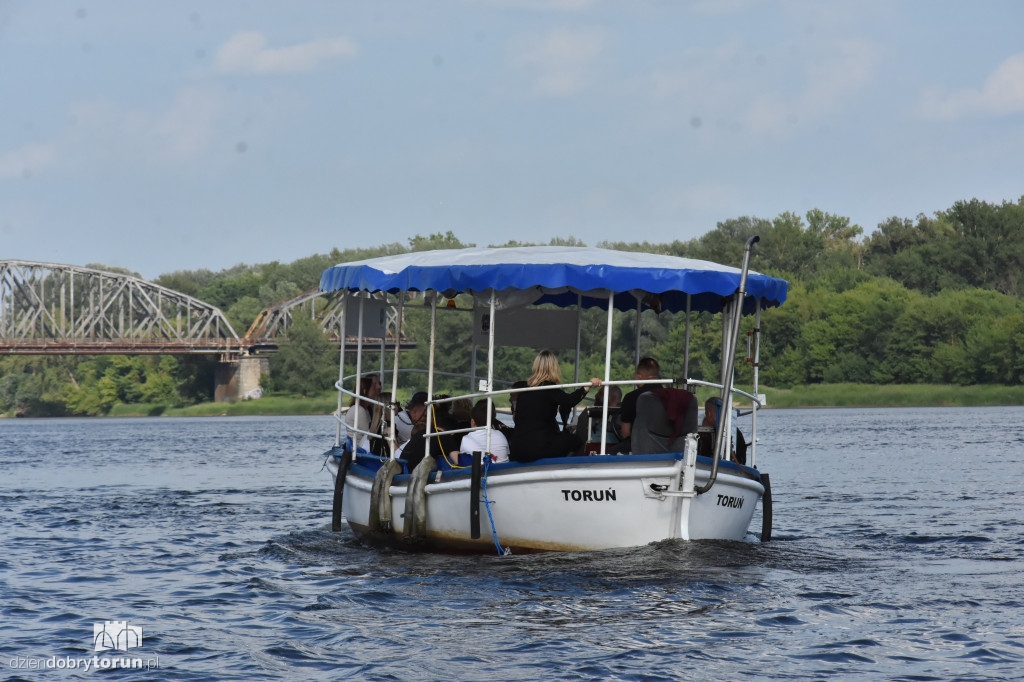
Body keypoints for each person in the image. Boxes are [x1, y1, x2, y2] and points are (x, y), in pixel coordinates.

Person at [510, 350, 601, 462]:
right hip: (537, 448)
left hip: (518, 448)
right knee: (575, 440)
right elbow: (569, 401)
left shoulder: (525, 390)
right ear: (554, 368)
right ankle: (560, 468)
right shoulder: (549, 388)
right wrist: (588, 386)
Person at [615, 357, 661, 453]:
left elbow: (625, 432)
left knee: (611, 451)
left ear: (639, 377)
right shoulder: (670, 396)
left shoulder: (631, 397)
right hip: (667, 448)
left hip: (639, 447)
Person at [457, 399, 510, 463]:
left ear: (473, 422)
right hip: (504, 470)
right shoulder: (501, 435)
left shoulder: (466, 439)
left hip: (480, 472)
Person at [344, 374, 382, 451]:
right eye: (373, 389)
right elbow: (369, 435)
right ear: (365, 391)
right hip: (359, 449)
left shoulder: (365, 409)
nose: (375, 391)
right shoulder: (359, 410)